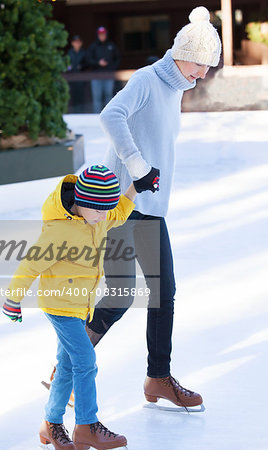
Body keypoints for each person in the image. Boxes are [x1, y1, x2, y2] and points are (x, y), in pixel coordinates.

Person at [85, 7, 222, 409]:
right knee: (121, 294)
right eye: (199, 65)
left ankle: (157, 377)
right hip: (121, 204)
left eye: (207, 67)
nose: (202, 74)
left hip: (152, 207)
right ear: (181, 53)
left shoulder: (177, 86)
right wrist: (138, 166)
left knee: (164, 294)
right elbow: (111, 115)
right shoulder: (147, 79)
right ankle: (69, 364)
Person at [2, 165, 144, 450]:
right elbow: (30, 265)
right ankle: (87, 425)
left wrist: (135, 188)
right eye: (98, 210)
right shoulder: (59, 230)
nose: (103, 216)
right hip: (59, 306)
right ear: (81, 202)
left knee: (67, 365)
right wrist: (12, 299)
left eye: (106, 209)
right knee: (85, 361)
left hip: (81, 305)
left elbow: (118, 212)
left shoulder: (98, 217)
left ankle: (50, 424)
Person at [86, 26, 120, 113]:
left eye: (103, 34)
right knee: (97, 97)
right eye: (100, 34)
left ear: (106, 35)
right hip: (96, 75)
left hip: (109, 75)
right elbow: (88, 59)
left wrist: (110, 67)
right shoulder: (93, 46)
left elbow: (117, 59)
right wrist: (98, 63)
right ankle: (96, 115)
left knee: (109, 95)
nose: (102, 36)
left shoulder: (111, 46)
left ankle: (109, 114)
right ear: (98, 35)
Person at [67, 35, 87, 113]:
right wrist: (69, 67)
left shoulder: (84, 52)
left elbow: (87, 64)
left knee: (80, 96)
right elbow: (66, 63)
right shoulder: (69, 53)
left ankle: (81, 112)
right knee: (72, 96)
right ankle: (73, 112)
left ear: (81, 43)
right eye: (75, 42)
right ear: (72, 43)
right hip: (72, 77)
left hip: (81, 78)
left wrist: (81, 66)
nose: (77, 44)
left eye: (78, 42)